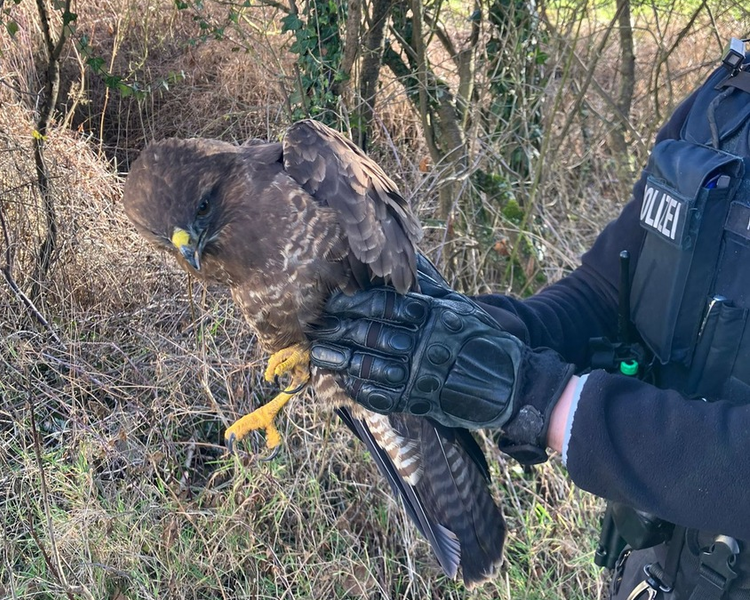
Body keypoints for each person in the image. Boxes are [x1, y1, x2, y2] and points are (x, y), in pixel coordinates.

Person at [308, 42, 750, 600]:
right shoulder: (723, 105)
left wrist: (541, 400)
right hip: (656, 567)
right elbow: (606, 289)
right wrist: (476, 331)